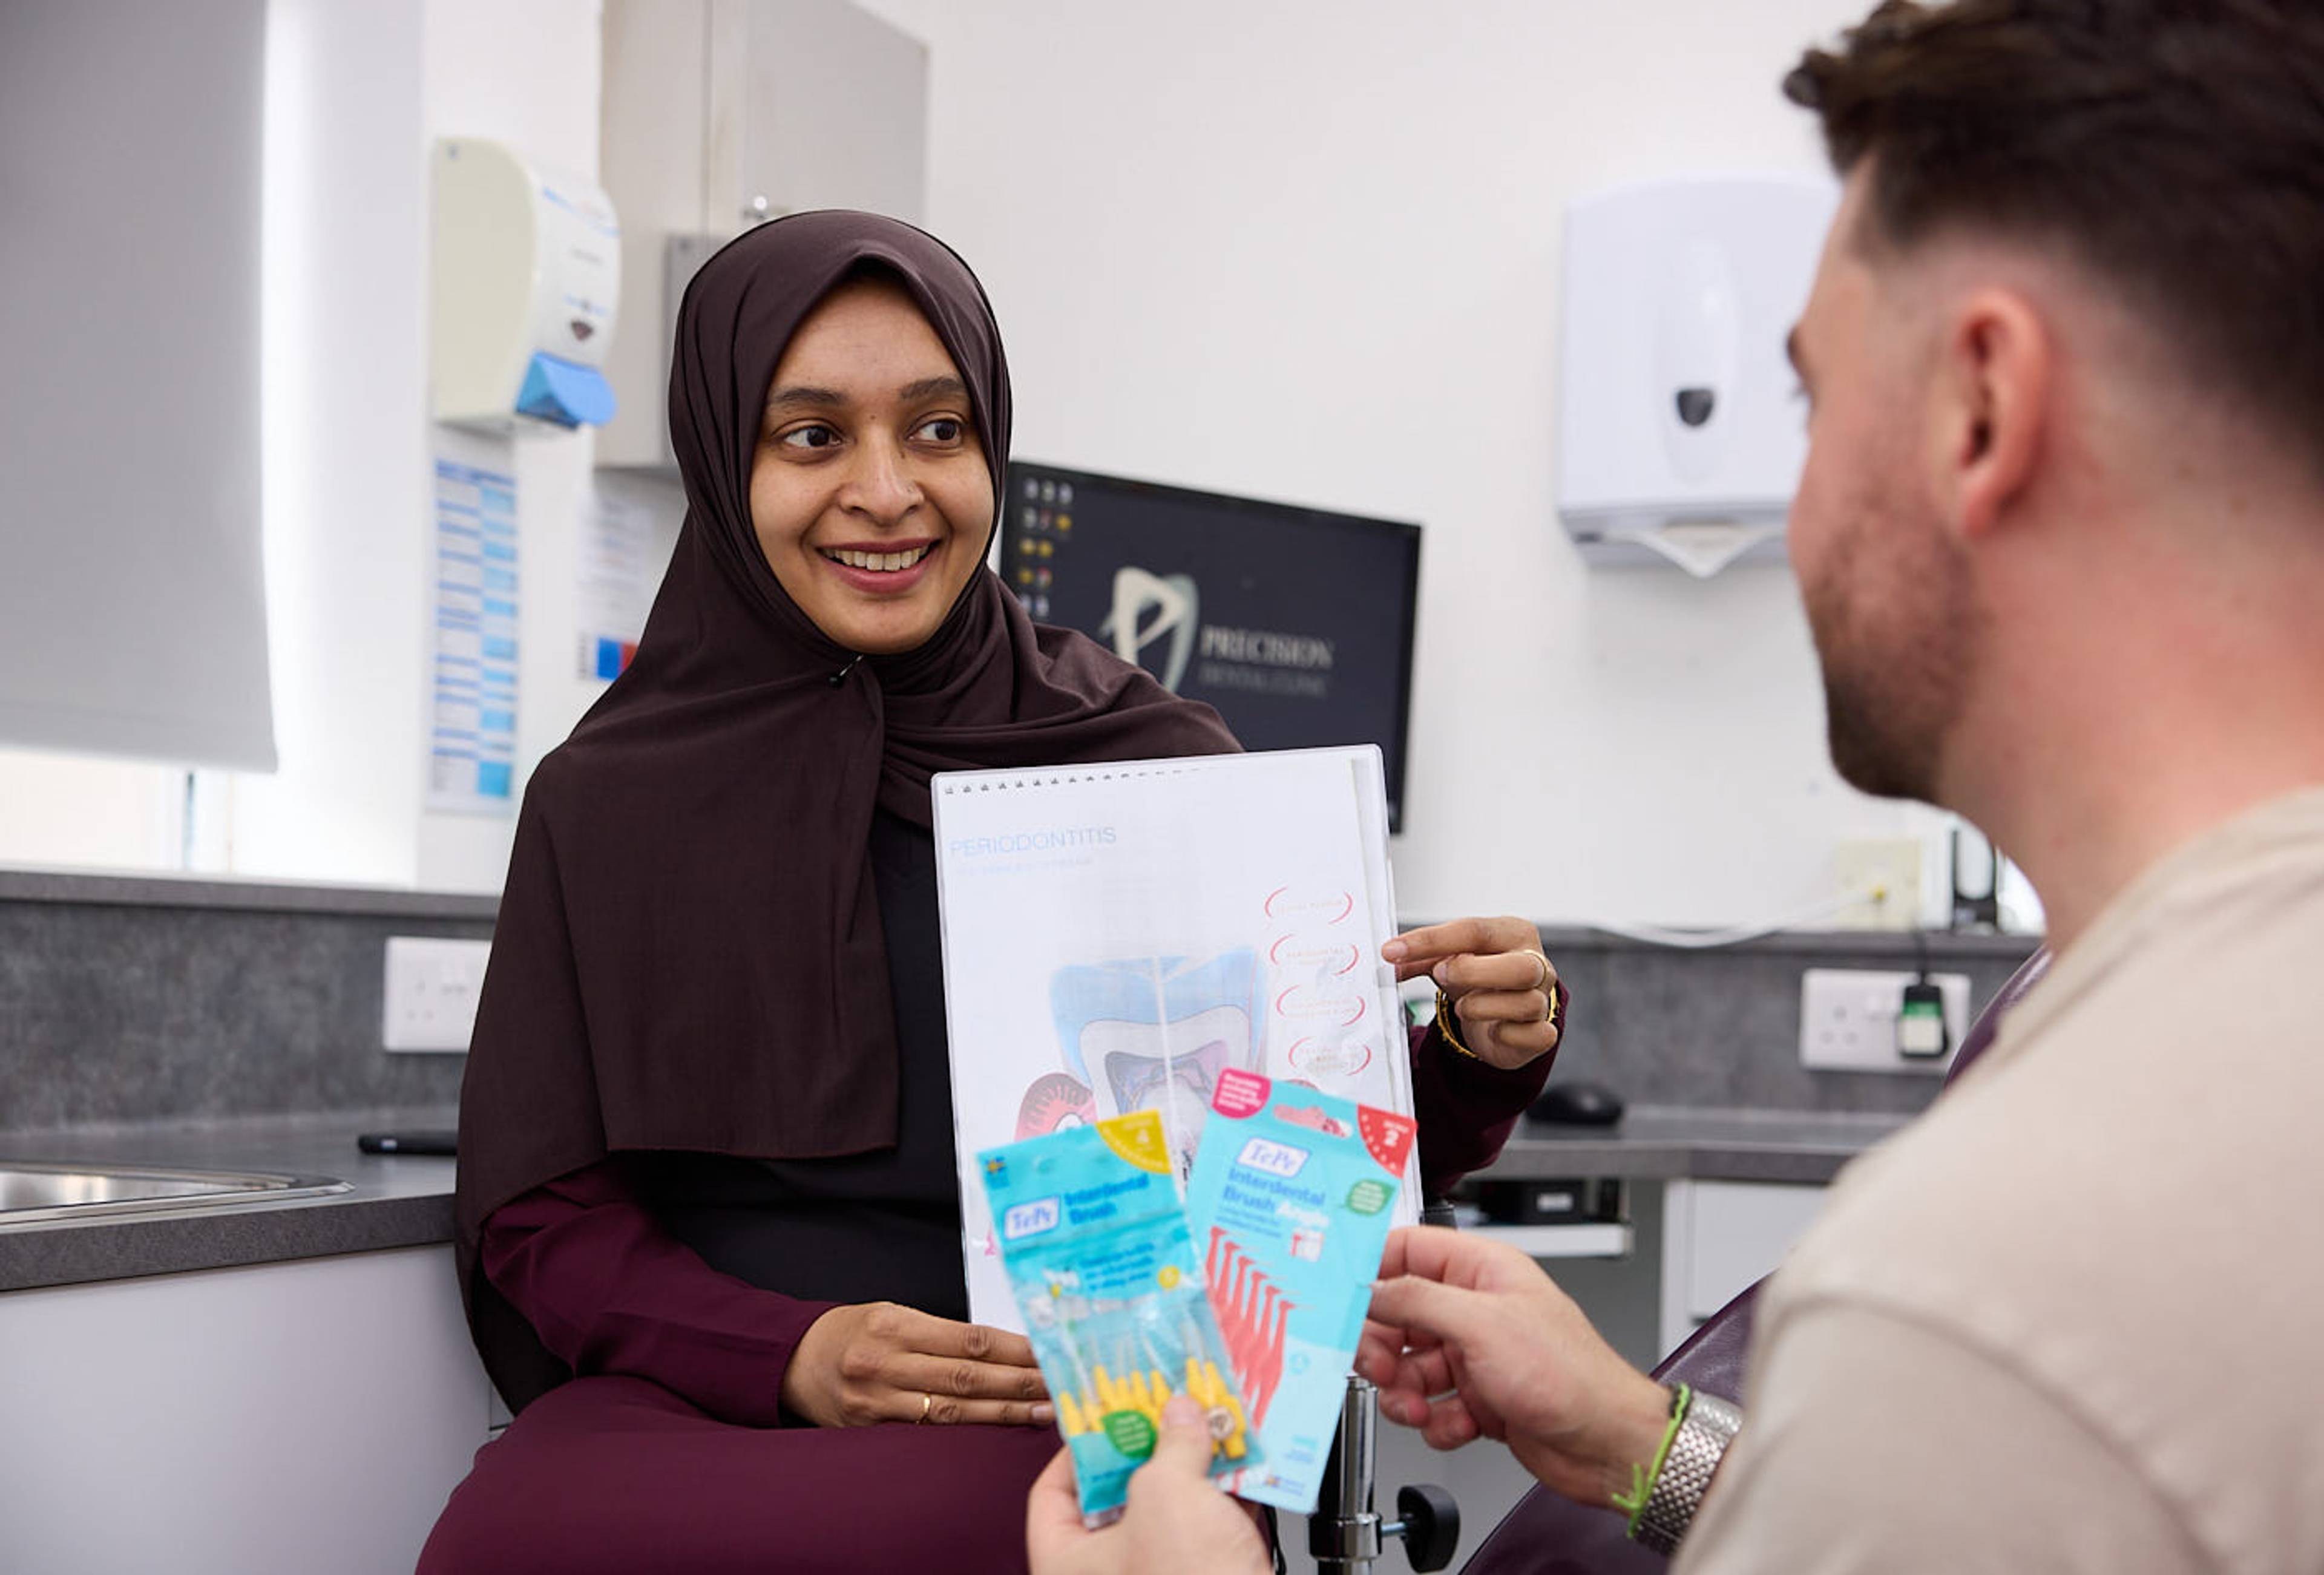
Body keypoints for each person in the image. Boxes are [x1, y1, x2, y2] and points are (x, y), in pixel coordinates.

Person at [1029, 1, 2324, 1571]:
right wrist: (1650, 1443)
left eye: (1814, 397)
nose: (1791, 510)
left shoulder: (1993, 1299)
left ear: (1982, 406)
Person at [418, 211, 1572, 1574]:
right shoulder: (605, 799)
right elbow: (546, 1217)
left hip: (1075, 1380)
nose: (887, 491)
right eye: (811, 438)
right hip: (712, 1380)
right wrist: (795, 1353)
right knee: (506, 1542)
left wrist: (1467, 1052)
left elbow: (1298, 1156)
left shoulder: (1146, 761)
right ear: (725, 464)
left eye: (935, 429)